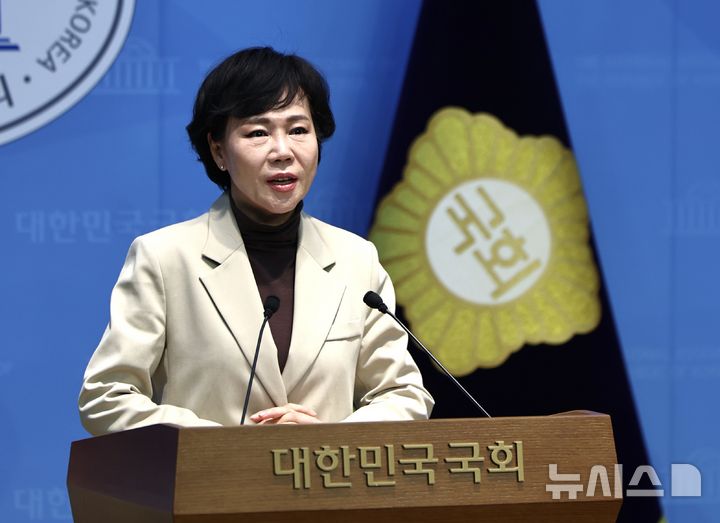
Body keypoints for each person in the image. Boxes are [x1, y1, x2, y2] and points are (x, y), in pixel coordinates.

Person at [78, 47, 433, 434]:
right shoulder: (165, 258)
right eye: (258, 133)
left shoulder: (356, 259)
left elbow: (404, 394)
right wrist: (225, 446)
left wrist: (331, 439)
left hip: (328, 474)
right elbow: (106, 396)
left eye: (298, 130)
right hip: (210, 473)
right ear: (218, 151)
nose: (283, 151)